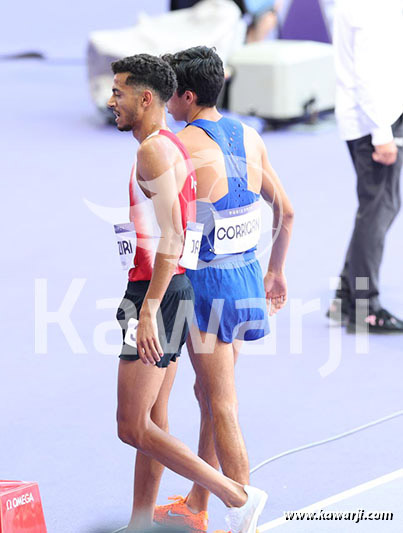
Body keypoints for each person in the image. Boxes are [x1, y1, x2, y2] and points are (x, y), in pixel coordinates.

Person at [109, 53, 268, 533]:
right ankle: (140, 523)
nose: (110, 101)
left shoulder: (155, 150)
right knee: (152, 418)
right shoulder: (173, 146)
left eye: (118, 93)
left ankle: (235, 495)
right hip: (164, 287)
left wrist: (152, 308)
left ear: (145, 98)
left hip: (155, 292)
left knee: (133, 426)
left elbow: (175, 236)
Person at [143, 46, 292, 533]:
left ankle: (242, 510)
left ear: (186, 96)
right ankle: (198, 504)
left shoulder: (175, 145)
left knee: (220, 402)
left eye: (171, 96)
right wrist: (276, 273)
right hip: (248, 275)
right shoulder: (251, 136)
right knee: (210, 393)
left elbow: (167, 226)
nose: (166, 104)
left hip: (204, 284)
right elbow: (287, 213)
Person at [328, 0, 403, 332]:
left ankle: (347, 294)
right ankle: (363, 307)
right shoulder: (368, 8)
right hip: (374, 123)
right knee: (379, 206)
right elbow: (367, 74)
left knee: (380, 204)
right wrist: (382, 132)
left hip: (376, 117)